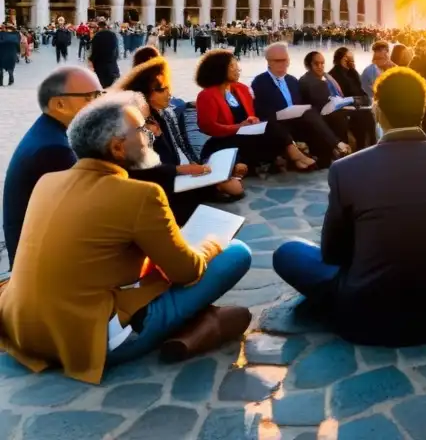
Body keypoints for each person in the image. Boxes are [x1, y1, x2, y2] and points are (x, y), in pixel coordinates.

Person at [0, 93, 252, 383]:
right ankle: (200, 323)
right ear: (118, 148)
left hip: (22, 329)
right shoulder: (141, 195)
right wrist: (211, 244)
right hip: (88, 341)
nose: (149, 136)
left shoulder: (48, 181)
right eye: (142, 130)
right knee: (236, 252)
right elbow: (186, 271)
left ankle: (202, 323)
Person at [272, 67, 426, 347]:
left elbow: (333, 252)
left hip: (369, 312)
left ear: (378, 110)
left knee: (288, 253)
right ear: (422, 108)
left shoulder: (346, 169)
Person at [116, 58, 245, 223]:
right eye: (161, 90)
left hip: (181, 177)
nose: (168, 94)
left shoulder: (162, 116)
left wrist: (196, 168)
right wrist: (181, 170)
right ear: (143, 94)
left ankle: (215, 183)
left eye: (167, 88)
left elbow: (183, 149)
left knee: (235, 187)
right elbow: (141, 171)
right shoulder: (132, 126)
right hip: (161, 185)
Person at [3, 66, 104, 267]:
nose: (100, 104)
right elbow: (85, 217)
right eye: (90, 97)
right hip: (43, 270)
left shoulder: (51, 132)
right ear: (60, 104)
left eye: (101, 94)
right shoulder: (54, 150)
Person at [195, 49, 316, 171]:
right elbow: (209, 127)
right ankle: (297, 157)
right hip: (224, 141)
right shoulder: (206, 95)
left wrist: (252, 120)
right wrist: (239, 127)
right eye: (232, 66)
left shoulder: (241, 89)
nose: (238, 70)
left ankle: (293, 156)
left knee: (271, 124)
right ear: (219, 69)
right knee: (271, 127)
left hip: (247, 136)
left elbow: (251, 114)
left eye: (237, 66)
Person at [252, 43, 349, 165]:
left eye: (285, 60)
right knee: (310, 114)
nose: (282, 63)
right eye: (278, 61)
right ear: (269, 61)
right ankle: (336, 144)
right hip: (277, 124)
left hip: (298, 121)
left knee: (323, 113)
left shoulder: (291, 80)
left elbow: (301, 103)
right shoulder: (260, 82)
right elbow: (261, 110)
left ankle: (327, 156)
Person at [300, 50, 373, 152]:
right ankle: (351, 150)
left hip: (335, 107)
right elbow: (325, 104)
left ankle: (366, 148)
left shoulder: (326, 77)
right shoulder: (308, 81)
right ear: (308, 65)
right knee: (348, 115)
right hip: (322, 113)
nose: (320, 66)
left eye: (322, 63)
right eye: (316, 63)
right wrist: (352, 100)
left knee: (365, 113)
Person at [88, 17, 121, 89]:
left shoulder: (97, 36)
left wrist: (90, 60)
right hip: (112, 64)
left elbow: (95, 51)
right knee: (111, 86)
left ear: (98, 27)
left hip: (100, 65)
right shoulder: (113, 35)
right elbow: (116, 49)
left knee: (102, 86)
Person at [0, 22, 19, 86]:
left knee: (0, 69)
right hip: (11, 53)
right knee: (10, 69)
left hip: (2, 53)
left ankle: (1, 82)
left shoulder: (1, 34)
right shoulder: (16, 35)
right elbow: (18, 45)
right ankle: (11, 81)